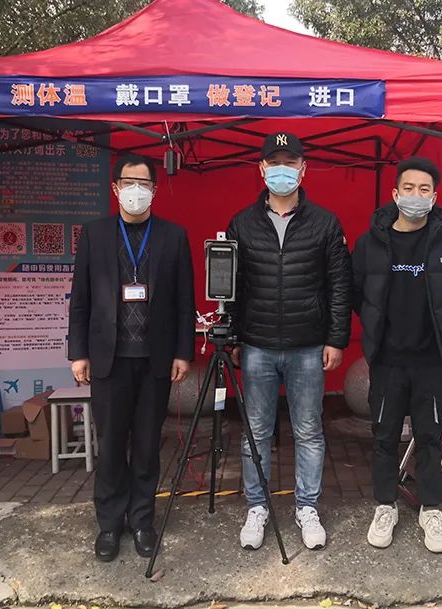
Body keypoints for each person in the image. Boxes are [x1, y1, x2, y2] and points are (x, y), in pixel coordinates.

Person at [226, 132, 351, 551]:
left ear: (303, 169)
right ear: (261, 169)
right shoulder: (242, 223)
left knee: (309, 430)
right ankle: (257, 506)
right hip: (257, 345)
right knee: (256, 431)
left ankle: (307, 507)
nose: (283, 170)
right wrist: (235, 336)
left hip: (308, 345)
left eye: (290, 162)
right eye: (275, 162)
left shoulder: (325, 223)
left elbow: (339, 285)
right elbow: (234, 286)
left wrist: (335, 339)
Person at [68, 153, 196, 562]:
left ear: (154, 191)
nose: (136, 191)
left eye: (144, 184)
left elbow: (184, 300)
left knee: (146, 445)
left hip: (155, 360)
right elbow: (80, 299)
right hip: (109, 360)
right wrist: (77, 353)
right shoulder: (95, 234)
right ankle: (109, 524)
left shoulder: (173, 236)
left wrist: (183, 352)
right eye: (129, 183)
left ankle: (142, 520)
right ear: (115, 188)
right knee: (110, 445)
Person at [351, 156, 442, 553]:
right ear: (395, 193)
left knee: (429, 437)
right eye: (409, 188)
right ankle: (385, 506)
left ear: (434, 197)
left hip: (430, 362)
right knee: (384, 436)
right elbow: (357, 293)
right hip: (387, 361)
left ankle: (431, 509)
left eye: (424, 190)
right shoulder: (370, 243)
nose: (416, 196)